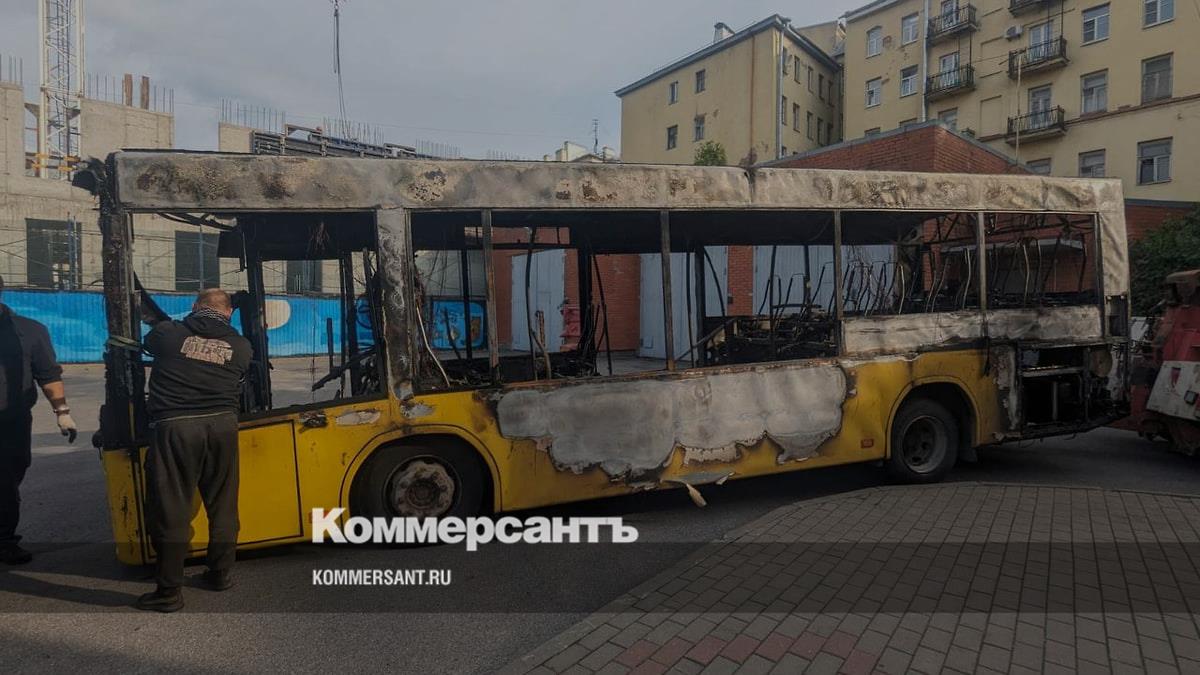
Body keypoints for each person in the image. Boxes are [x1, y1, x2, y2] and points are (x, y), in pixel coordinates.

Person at [136, 289, 251, 612]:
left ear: (194, 306)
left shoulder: (167, 334)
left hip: (176, 427)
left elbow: (148, 343)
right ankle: (219, 574)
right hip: (223, 426)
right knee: (223, 504)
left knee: (172, 507)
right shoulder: (242, 347)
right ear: (229, 313)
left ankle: (169, 592)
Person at [0, 274, 77, 565]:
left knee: (7, 481)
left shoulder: (29, 331)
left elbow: (48, 375)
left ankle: (3, 541)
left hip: (11, 424)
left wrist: (63, 413)